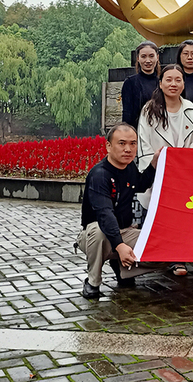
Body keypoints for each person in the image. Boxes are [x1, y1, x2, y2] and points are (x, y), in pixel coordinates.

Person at [77, 123, 162, 299]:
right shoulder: (99, 175)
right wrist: (120, 245)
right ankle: (93, 281)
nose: (128, 149)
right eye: (122, 143)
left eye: (133, 144)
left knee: (162, 246)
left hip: (125, 231)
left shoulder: (129, 167)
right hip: (97, 234)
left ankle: (123, 269)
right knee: (99, 233)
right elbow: (104, 214)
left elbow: (140, 184)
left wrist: (155, 162)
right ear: (109, 146)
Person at [136, 64, 193, 275]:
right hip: (156, 171)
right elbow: (144, 143)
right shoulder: (149, 110)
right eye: (169, 79)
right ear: (161, 83)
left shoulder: (191, 109)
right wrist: (155, 164)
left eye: (178, 80)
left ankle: (178, 258)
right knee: (155, 214)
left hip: (182, 173)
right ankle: (151, 256)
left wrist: (182, 166)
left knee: (179, 216)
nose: (173, 84)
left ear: (183, 83)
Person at [121, 41, 160, 128]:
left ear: (157, 57)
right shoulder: (130, 83)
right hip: (137, 130)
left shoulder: (162, 82)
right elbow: (127, 113)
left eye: (151, 56)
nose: (148, 60)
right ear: (138, 58)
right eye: (143, 56)